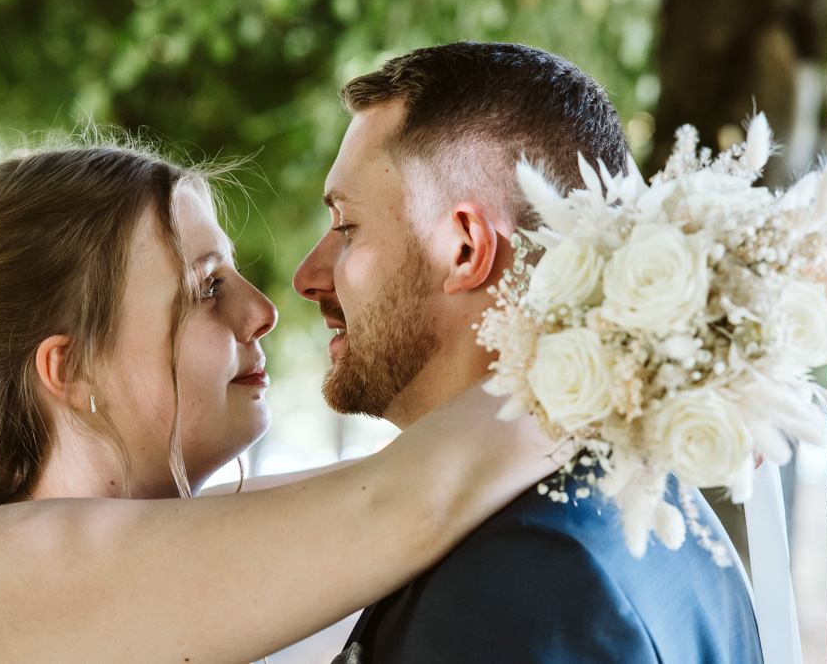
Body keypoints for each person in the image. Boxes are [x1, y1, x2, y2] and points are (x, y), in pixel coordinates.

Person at [0, 141, 561, 663]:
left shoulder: (187, 537)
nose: (263, 310)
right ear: (72, 367)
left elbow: (424, 472)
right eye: (207, 287)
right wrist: (624, 331)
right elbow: (411, 497)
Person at [293, 41, 764, 663]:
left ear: (464, 249)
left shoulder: (528, 574)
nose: (307, 275)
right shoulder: (642, 496)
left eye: (347, 228)